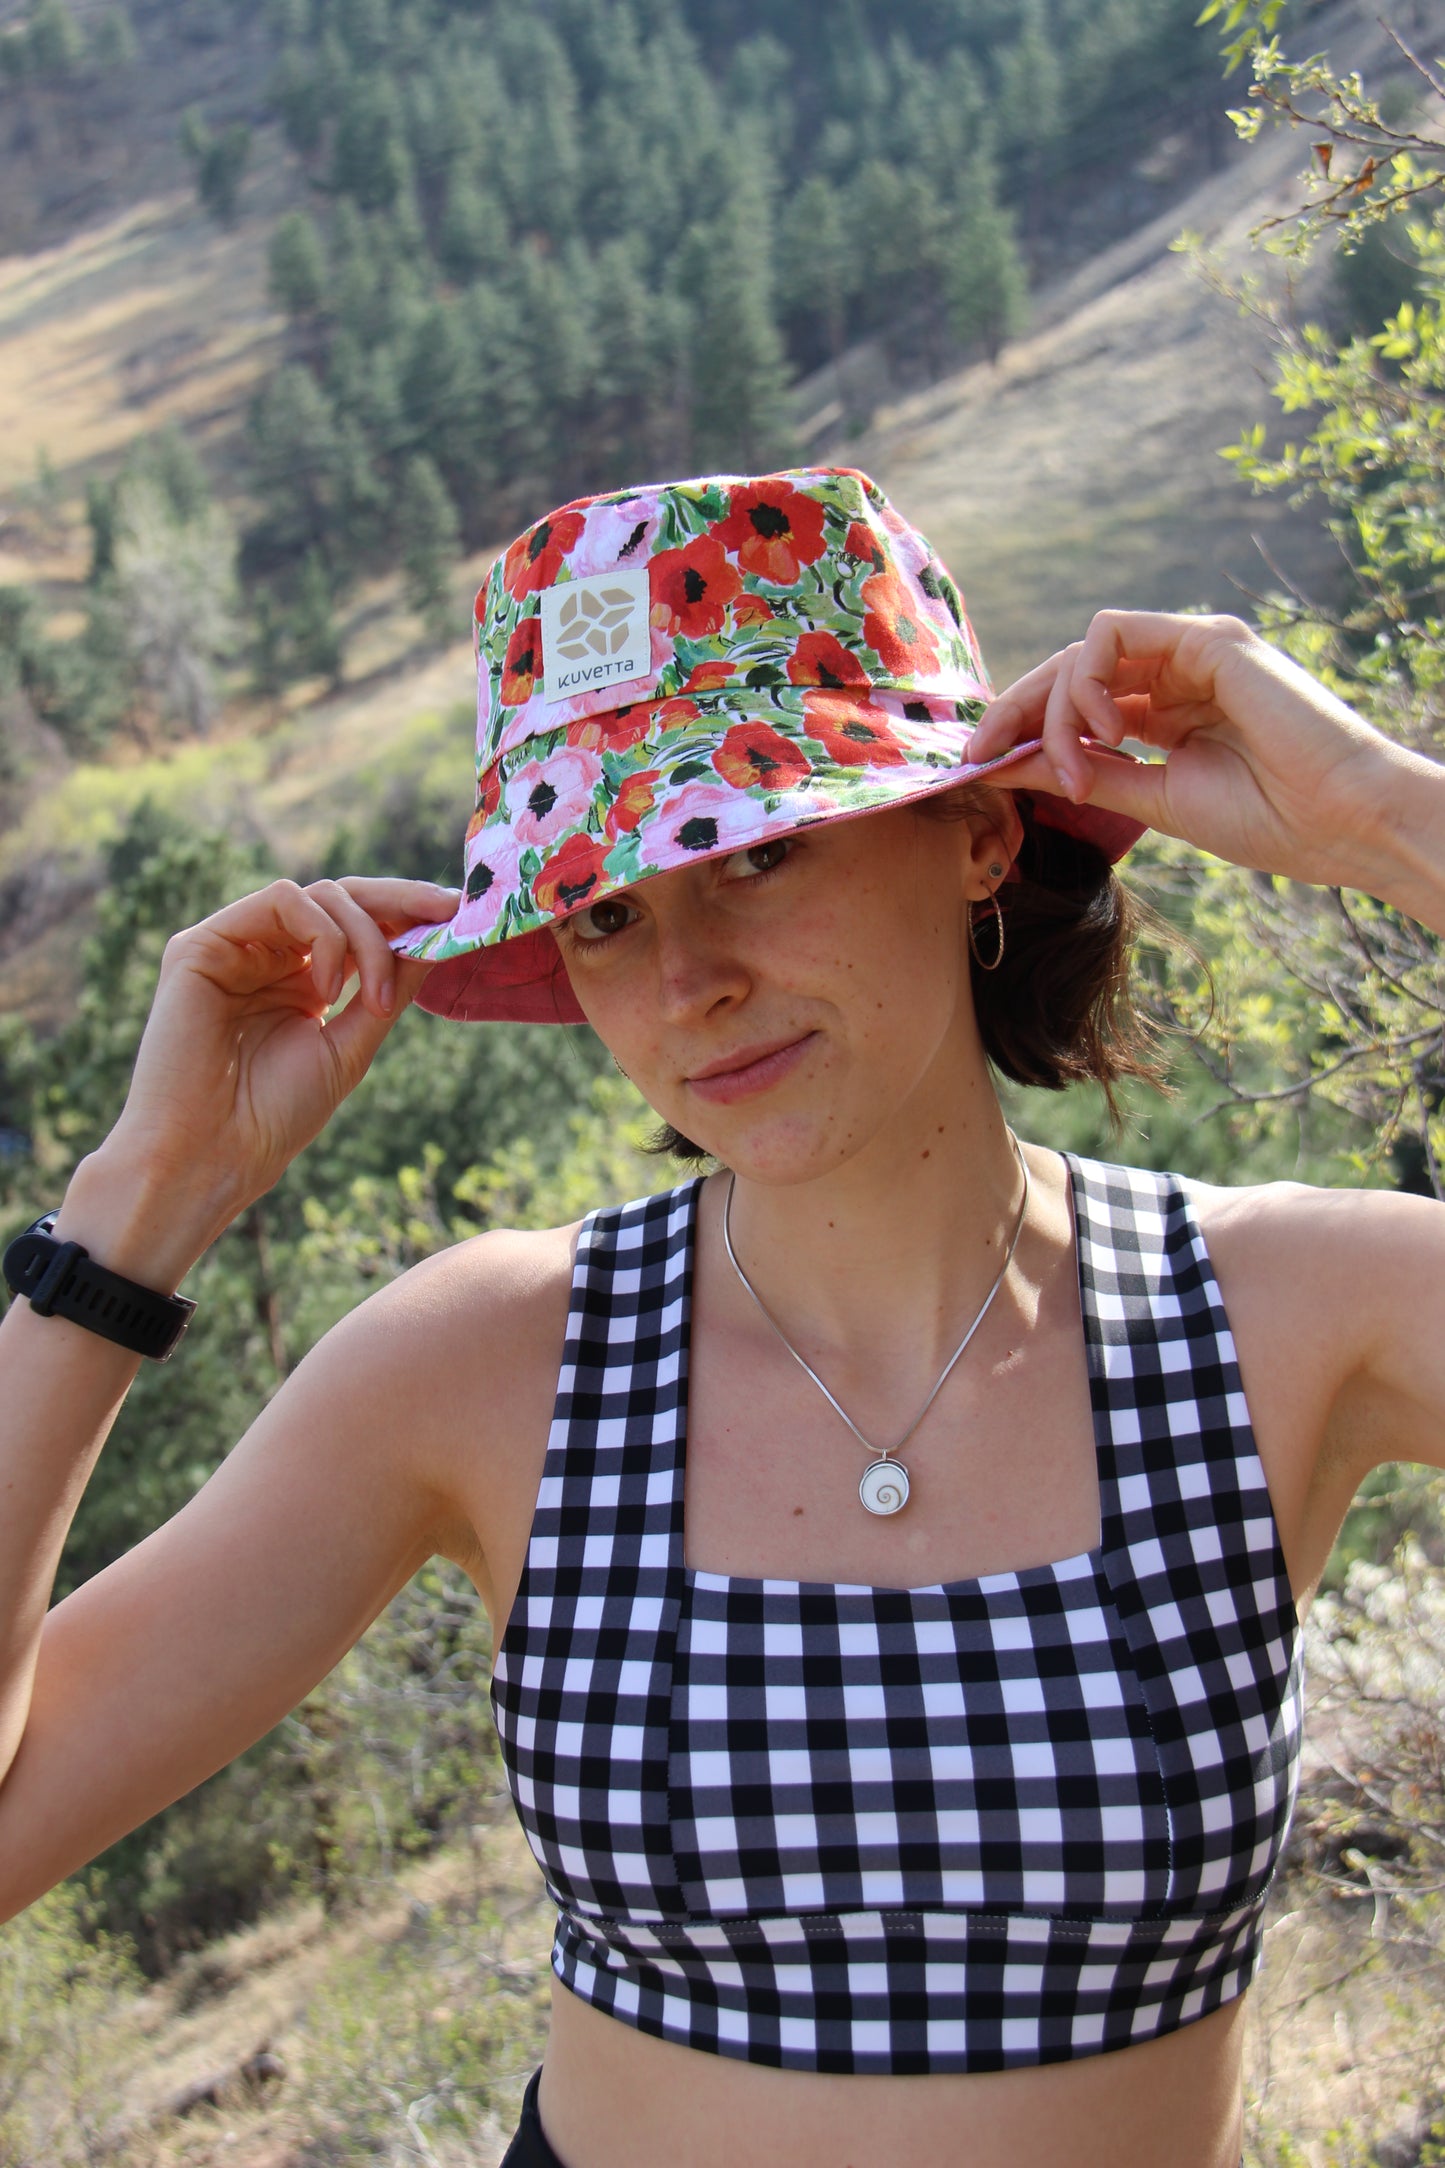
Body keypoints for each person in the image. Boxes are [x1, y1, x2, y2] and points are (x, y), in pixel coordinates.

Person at [0, 465, 1442, 2168]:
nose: (688, 984)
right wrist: (140, 1210)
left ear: (979, 834)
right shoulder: (494, 1361)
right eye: (606, 914)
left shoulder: (1282, 1315)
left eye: (754, 854)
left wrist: (1379, 819)